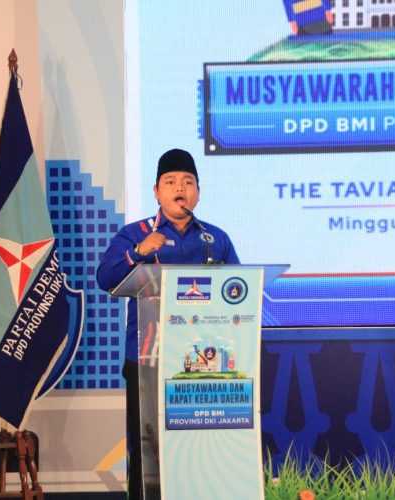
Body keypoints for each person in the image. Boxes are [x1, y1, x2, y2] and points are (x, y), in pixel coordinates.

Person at [96, 148, 239, 499]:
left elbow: (238, 289)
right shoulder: (135, 234)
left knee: (198, 448)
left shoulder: (215, 239)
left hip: (203, 362)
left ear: (198, 192)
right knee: (148, 450)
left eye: (188, 182)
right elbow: (105, 279)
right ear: (156, 192)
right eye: (171, 182)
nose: (180, 188)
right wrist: (138, 253)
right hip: (148, 358)